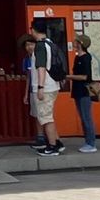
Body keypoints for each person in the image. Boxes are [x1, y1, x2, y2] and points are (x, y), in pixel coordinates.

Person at [29, 17, 64, 157]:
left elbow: (41, 67)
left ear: (33, 30)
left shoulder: (40, 46)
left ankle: (52, 146)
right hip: (53, 84)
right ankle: (57, 142)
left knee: (46, 118)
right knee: (49, 116)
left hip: (46, 86)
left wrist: (40, 87)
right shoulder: (50, 43)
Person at [69, 32, 99, 152]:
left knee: (87, 117)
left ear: (80, 44)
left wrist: (68, 77)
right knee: (82, 117)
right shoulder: (77, 57)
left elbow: (84, 77)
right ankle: (87, 141)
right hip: (77, 90)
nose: (74, 43)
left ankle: (91, 143)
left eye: (76, 41)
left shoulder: (86, 57)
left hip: (85, 91)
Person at [19, 35, 44, 149]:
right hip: (32, 90)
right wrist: (25, 94)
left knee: (42, 114)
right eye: (27, 45)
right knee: (35, 114)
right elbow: (28, 77)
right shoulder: (26, 60)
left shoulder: (40, 57)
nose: (29, 47)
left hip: (40, 89)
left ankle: (44, 137)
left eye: (31, 44)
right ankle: (40, 137)